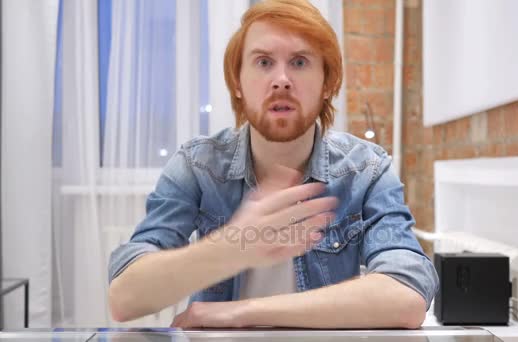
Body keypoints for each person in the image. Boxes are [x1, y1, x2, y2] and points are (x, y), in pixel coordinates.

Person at [108, 0, 438, 329]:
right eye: (263, 62)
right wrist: (232, 247)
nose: (281, 80)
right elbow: (125, 298)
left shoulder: (366, 169)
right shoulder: (198, 165)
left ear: (328, 84)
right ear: (237, 83)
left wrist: (241, 312)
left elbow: (407, 292)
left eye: (299, 62)